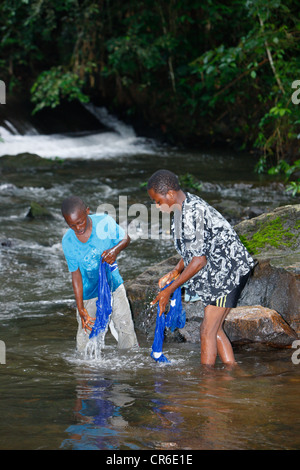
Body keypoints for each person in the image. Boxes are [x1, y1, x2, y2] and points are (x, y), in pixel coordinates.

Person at [147, 170, 254, 367]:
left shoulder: (191, 214)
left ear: (170, 194)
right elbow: (192, 249)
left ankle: (207, 386)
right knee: (214, 328)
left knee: (207, 330)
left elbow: (198, 261)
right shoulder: (182, 206)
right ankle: (233, 370)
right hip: (219, 270)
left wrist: (169, 290)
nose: (156, 205)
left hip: (228, 272)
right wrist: (176, 270)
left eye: (157, 200)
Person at [61, 196, 138, 353]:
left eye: (80, 222)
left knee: (125, 327)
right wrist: (80, 307)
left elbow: (125, 238)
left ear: (87, 212)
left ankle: (130, 363)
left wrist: (114, 250)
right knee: (85, 332)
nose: (78, 228)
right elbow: (75, 275)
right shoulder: (68, 241)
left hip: (113, 285)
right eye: (72, 225)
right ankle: (86, 368)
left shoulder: (104, 223)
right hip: (88, 292)